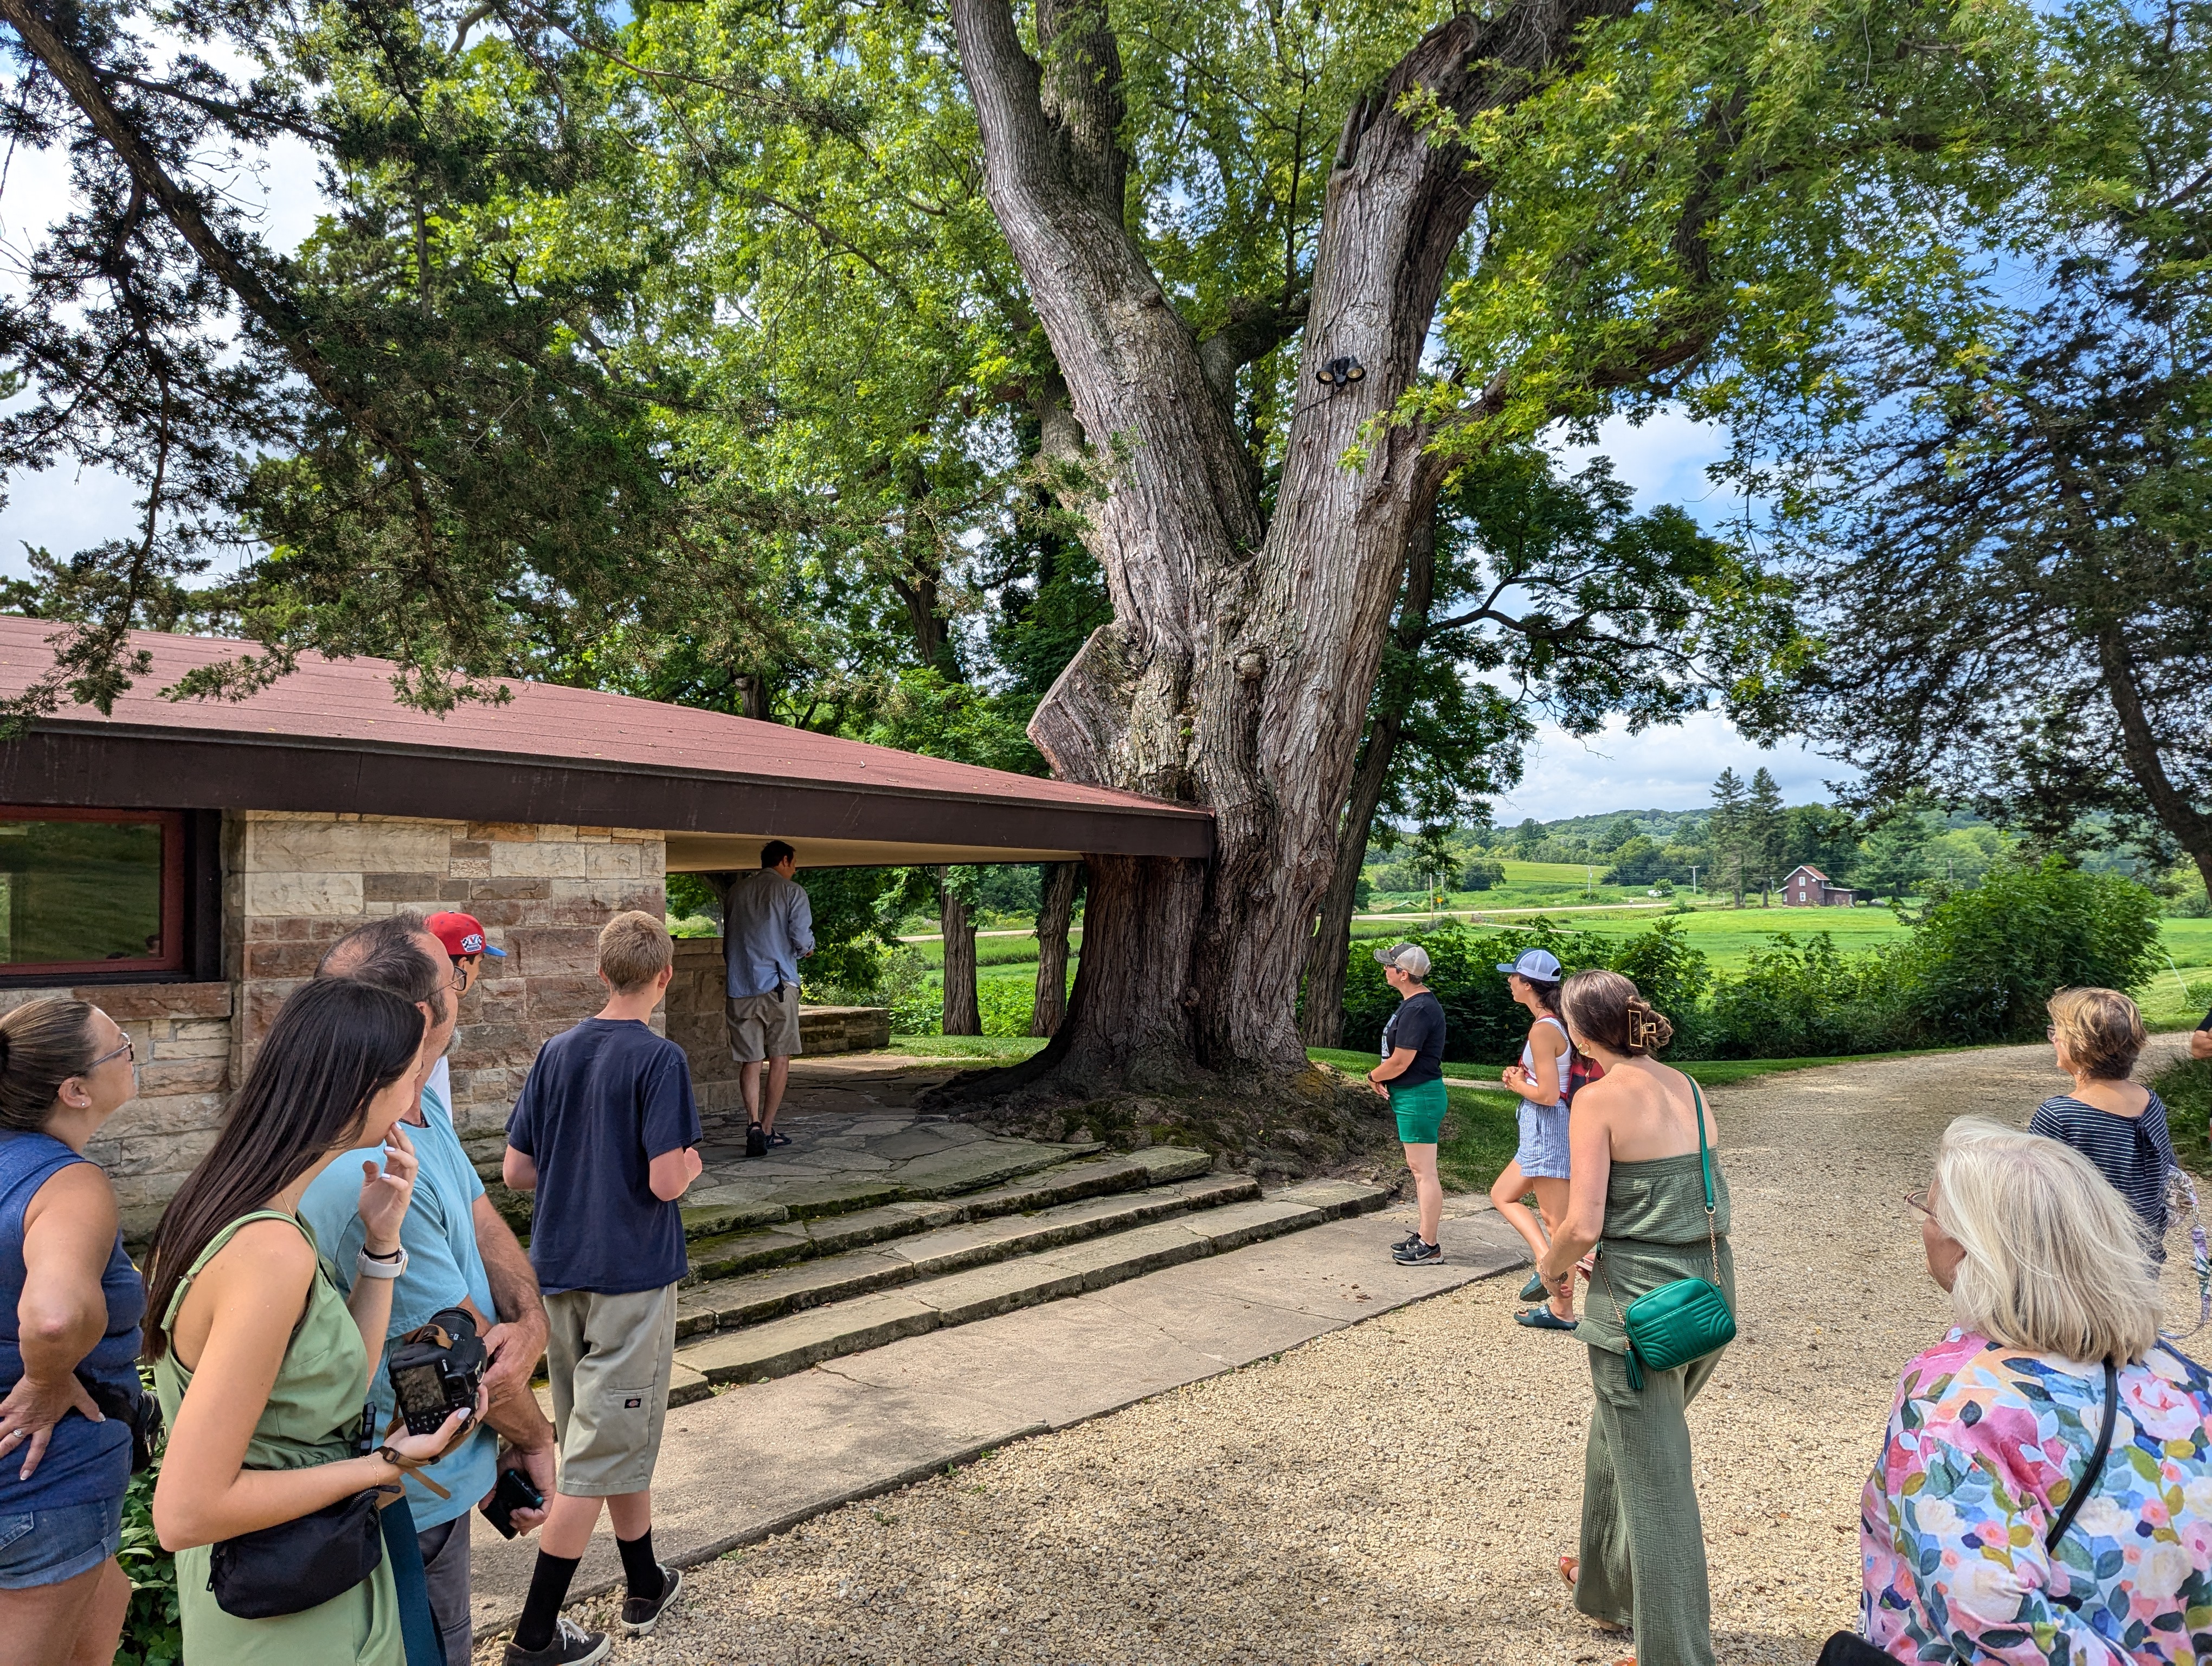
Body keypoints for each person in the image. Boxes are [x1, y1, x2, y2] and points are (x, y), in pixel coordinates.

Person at [144, 978, 477, 1666]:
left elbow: (325, 1386)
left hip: (302, 1573)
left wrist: (380, 1246)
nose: (421, 1092)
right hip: (287, 1614)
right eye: (414, 1073)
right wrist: (383, 1465)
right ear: (363, 1091)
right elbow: (186, 1511)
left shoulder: (246, 1204)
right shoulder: (269, 1252)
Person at [1856, 1117, 2211, 1663]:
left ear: (1968, 1247)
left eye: (1928, 1211)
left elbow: (1990, 1617)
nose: (1921, 1226)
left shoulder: (1953, 1404)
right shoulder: (2184, 1379)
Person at [300, 913, 558, 1666]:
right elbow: (455, 1350)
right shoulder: (368, 1169)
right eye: (455, 977)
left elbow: (481, 1221)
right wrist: (533, 1436)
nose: (465, 986)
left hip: (447, 1464)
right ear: (423, 1016)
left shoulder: (416, 1107)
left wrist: (531, 1319)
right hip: (400, 1500)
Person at [501, 911, 703, 1665]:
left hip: (559, 1272)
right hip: (631, 1277)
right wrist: (691, 1167)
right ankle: (533, 1636)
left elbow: (517, 1171)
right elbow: (664, 1178)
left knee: (610, 1434)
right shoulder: (661, 1061)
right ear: (665, 976)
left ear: (600, 972)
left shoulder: (556, 1052)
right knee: (594, 1452)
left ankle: (645, 1579)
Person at [1538, 969, 1731, 1666]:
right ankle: (1608, 1587)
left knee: (1657, 1484)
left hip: (1640, 1316)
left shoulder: (1597, 1098)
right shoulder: (1686, 1083)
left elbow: (1583, 1223)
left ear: (1583, 1034)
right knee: (1614, 1442)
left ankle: (1674, 1657)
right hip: (1707, 1296)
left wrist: (1550, 1269)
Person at [0, 999, 143, 1666]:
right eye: (120, 1046)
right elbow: (53, 1317)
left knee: (106, 1602)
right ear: (76, 1090)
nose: (133, 1052)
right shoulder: (67, 1183)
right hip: (41, 1485)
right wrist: (46, 1379)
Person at [2029, 987, 2175, 1255]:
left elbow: (2036, 1201)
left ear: (2080, 1044)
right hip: (2144, 1256)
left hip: (2086, 1265)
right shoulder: (2150, 1101)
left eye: (2057, 1032)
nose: (2054, 1040)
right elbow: (2168, 1179)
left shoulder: (2060, 1114)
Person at [1489, 948, 1579, 1332]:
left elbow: (1546, 1094)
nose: (1509, 981)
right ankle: (1546, 1261)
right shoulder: (1555, 1023)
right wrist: (1522, 1076)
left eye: (1513, 976)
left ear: (1528, 984)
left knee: (1557, 1221)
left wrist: (1515, 1084)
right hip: (1540, 1130)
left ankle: (1563, 1309)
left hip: (1548, 1128)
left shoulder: (1544, 1028)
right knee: (1502, 1194)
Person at [722, 840, 814, 1157]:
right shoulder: (792, 892)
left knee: (750, 1060)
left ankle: (753, 1124)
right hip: (778, 985)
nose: (795, 869)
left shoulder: (736, 892)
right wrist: (807, 949)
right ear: (785, 860)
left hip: (740, 986)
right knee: (780, 1057)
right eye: (794, 863)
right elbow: (801, 939)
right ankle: (770, 1128)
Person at [1366, 943, 1448, 1266]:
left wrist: (1373, 1075)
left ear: (1403, 974)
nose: (1384, 970)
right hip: (1414, 1094)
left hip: (1419, 1095)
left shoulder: (1418, 1009)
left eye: (1389, 966)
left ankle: (1430, 1245)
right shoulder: (1415, 1004)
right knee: (1421, 1170)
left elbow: (1401, 1061)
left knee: (1423, 1172)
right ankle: (1425, 1235)